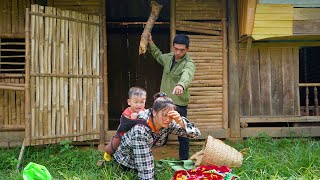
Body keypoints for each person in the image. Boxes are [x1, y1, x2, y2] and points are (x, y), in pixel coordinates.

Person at [113, 93, 201, 179]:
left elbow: (195, 133)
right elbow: (146, 173)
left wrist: (181, 122)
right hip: (126, 161)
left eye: (170, 116)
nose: (167, 119)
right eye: (164, 115)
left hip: (140, 157)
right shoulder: (140, 130)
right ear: (154, 112)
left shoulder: (167, 123)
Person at [148, 33, 196, 160]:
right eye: (176, 49)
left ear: (187, 49)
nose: (178, 52)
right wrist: (151, 43)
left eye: (182, 50)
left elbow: (187, 75)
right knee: (155, 129)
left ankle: (184, 161)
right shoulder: (168, 58)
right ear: (173, 47)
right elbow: (158, 55)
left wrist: (181, 85)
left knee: (183, 133)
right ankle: (148, 157)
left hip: (178, 103)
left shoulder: (189, 63)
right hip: (164, 102)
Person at [104, 87, 147, 161]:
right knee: (114, 144)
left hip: (138, 135)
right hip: (122, 134)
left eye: (141, 102)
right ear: (129, 102)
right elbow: (125, 124)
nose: (139, 105)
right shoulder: (127, 112)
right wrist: (133, 119)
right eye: (136, 102)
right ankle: (108, 152)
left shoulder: (145, 112)